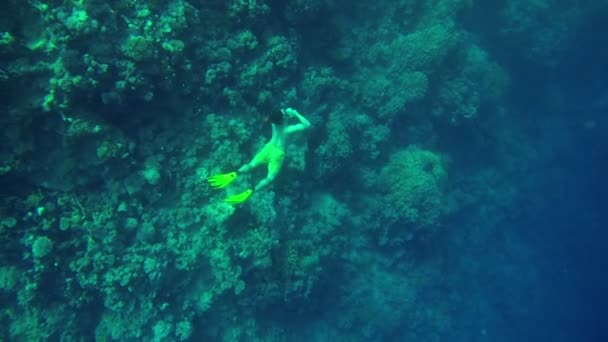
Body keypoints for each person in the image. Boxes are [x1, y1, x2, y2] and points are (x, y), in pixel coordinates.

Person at [208, 107, 311, 204]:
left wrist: (286, 113)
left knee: (251, 165)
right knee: (270, 178)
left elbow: (276, 115)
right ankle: (251, 191)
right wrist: (295, 113)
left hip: (268, 148)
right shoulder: (288, 130)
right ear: (283, 119)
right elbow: (307, 124)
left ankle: (235, 173)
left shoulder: (273, 123)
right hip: (278, 154)